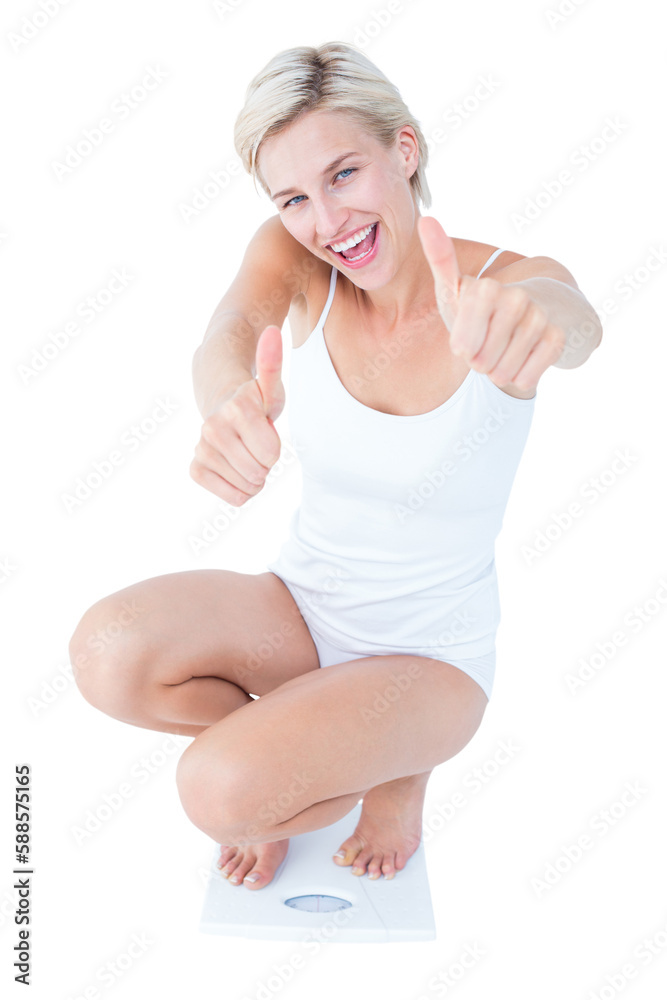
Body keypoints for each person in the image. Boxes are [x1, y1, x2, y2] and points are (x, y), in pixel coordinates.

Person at [68, 41, 602, 892]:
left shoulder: (499, 289)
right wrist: (228, 399)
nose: (326, 221)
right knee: (106, 651)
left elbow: (569, 315)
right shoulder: (300, 261)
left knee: (215, 790)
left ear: (404, 149)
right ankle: (303, 754)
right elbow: (229, 330)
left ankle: (387, 768)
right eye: (293, 197)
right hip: (304, 611)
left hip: (431, 664)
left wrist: (532, 316)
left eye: (344, 174)